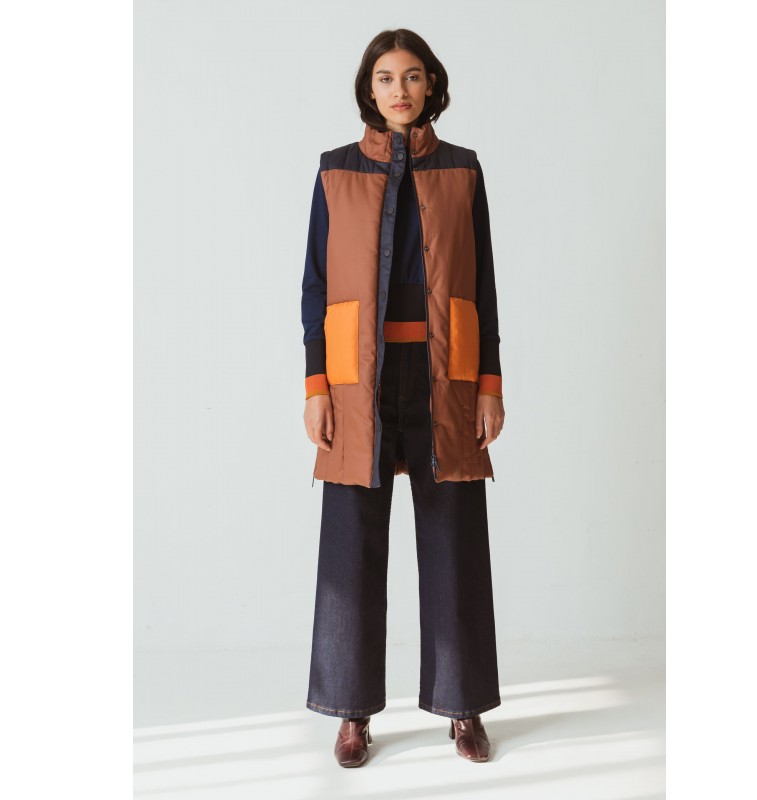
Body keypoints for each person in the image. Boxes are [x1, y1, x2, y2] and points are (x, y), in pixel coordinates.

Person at [300, 28, 505, 768]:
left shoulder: (462, 169)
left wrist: (490, 384)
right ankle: (351, 713)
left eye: (413, 76)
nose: (400, 90)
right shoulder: (335, 171)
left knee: (454, 541)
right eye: (386, 77)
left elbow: (483, 285)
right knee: (350, 544)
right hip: (359, 380)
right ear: (369, 88)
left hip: (446, 374)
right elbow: (315, 286)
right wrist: (316, 385)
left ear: (431, 86)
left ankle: (462, 706)